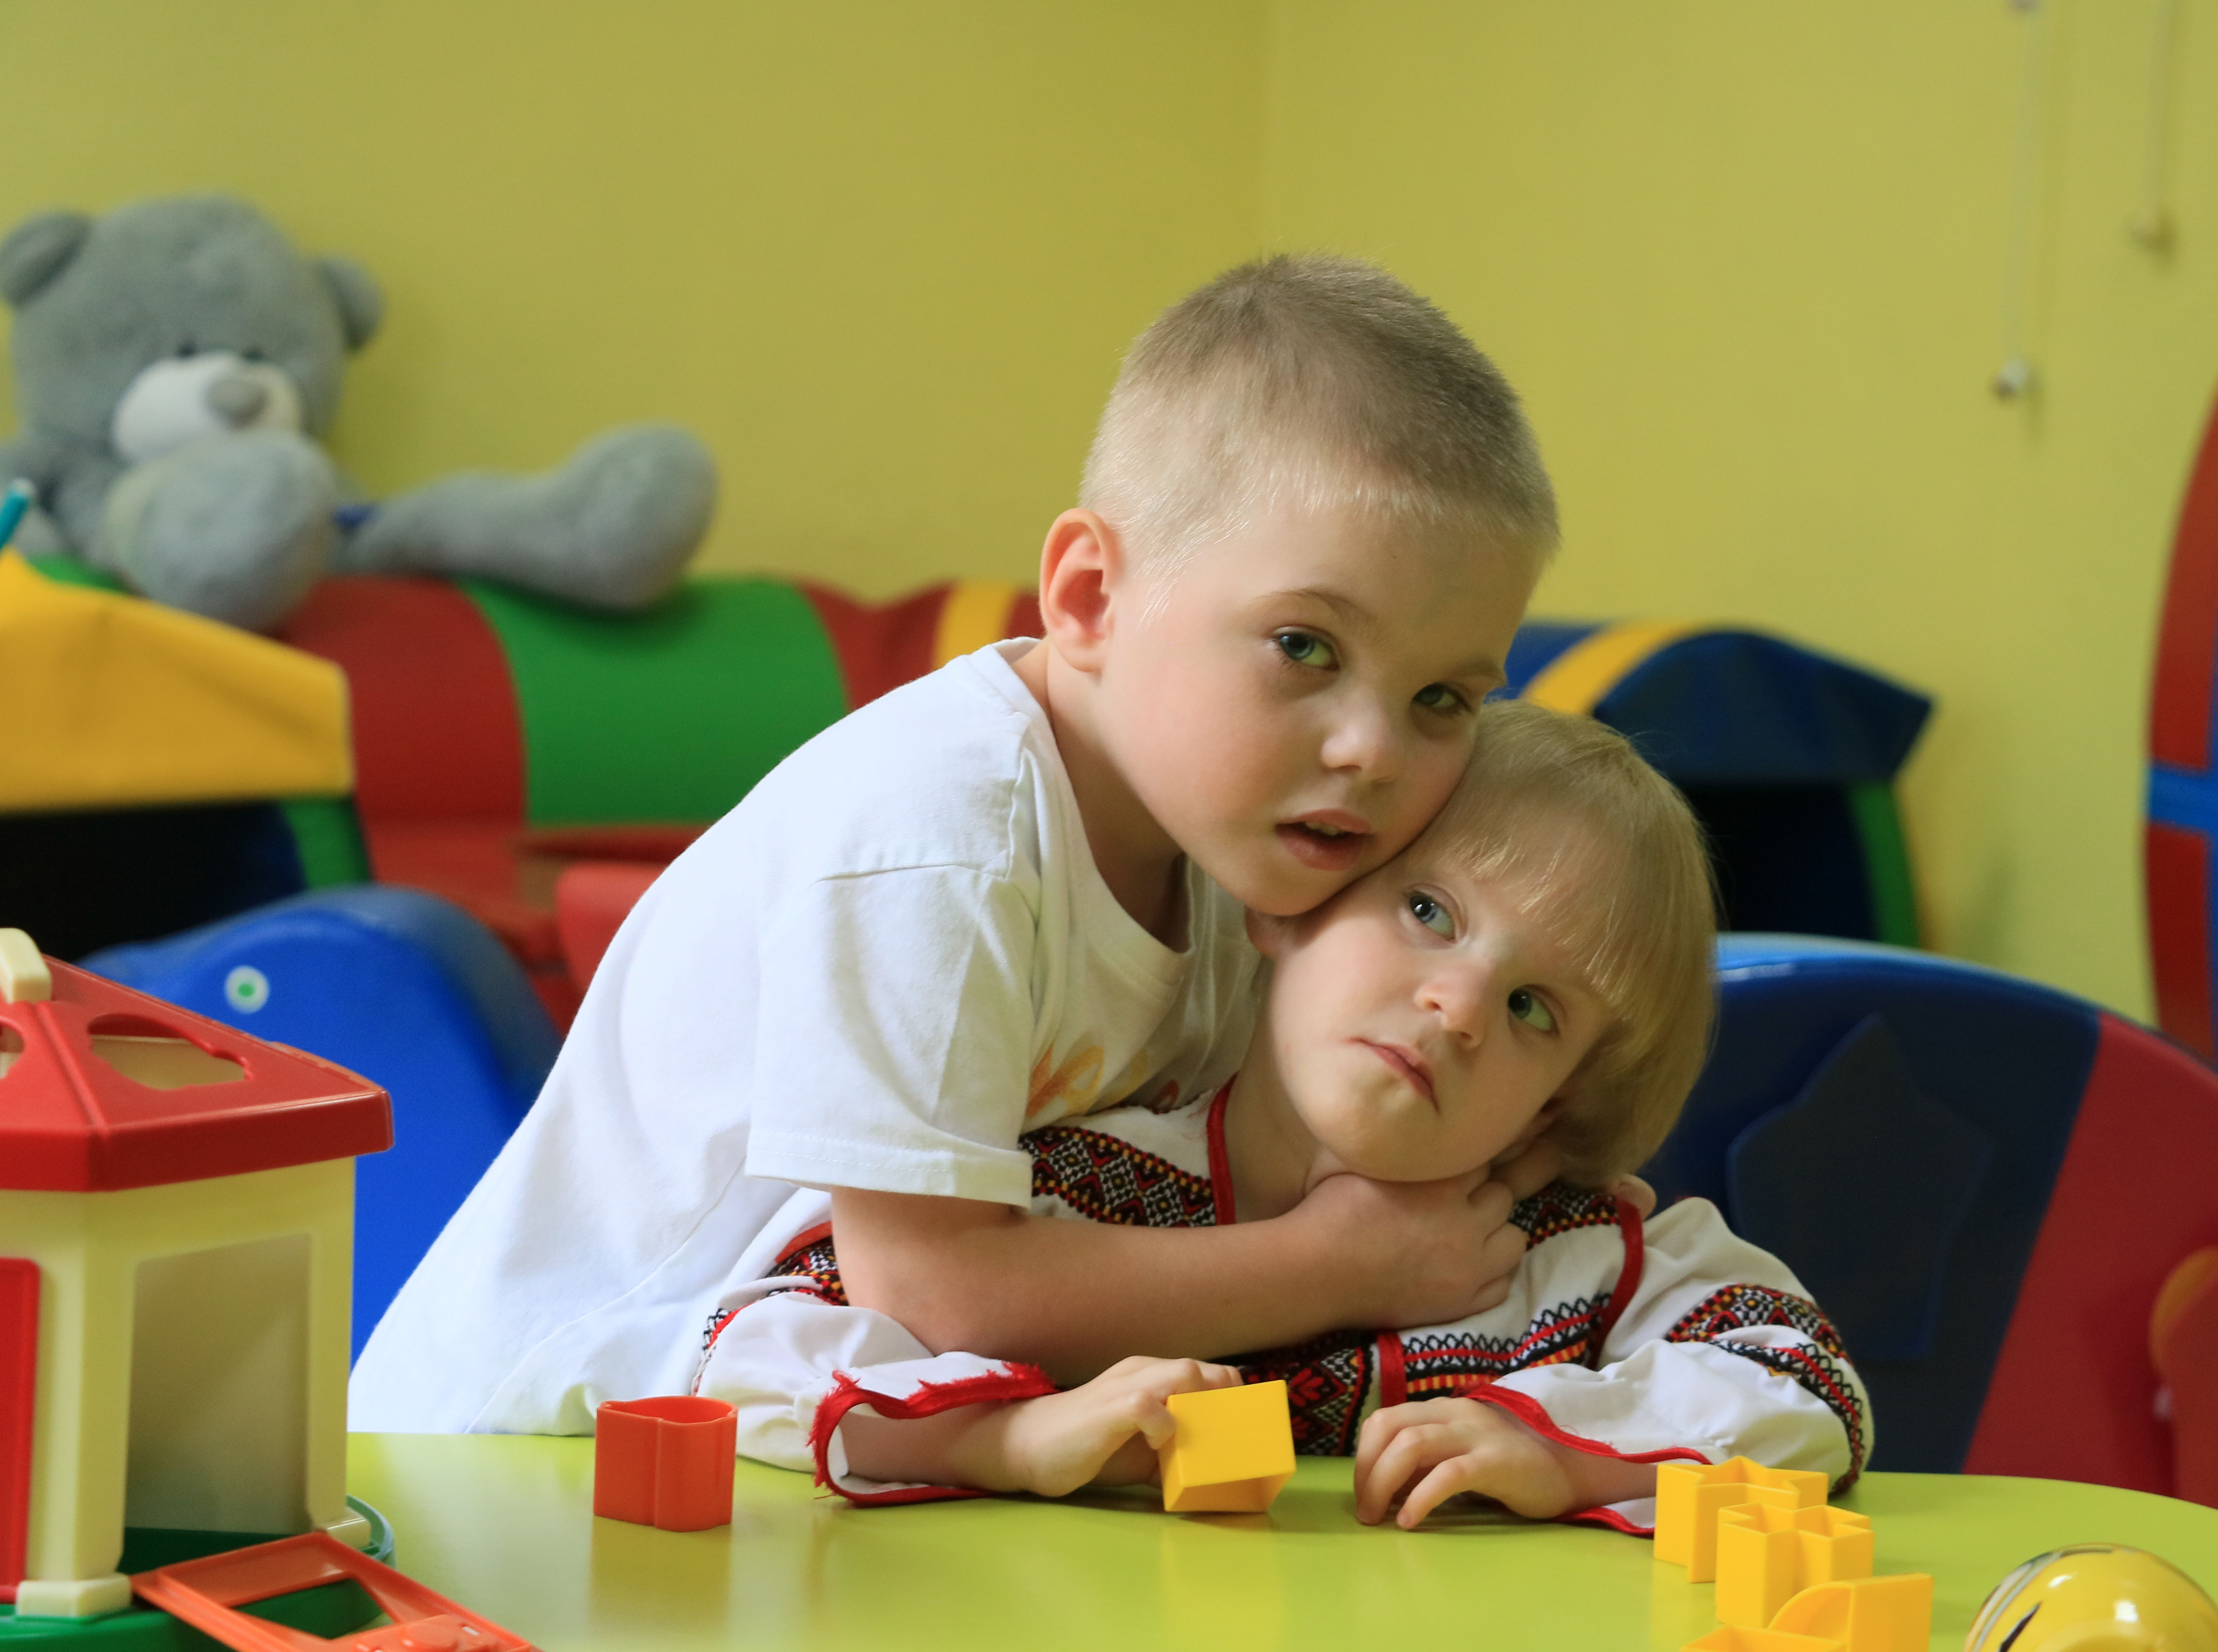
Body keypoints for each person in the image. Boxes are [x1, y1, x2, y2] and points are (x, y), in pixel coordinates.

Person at [350, 255, 1567, 1433]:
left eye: (1442, 699)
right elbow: (933, 1293)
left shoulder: (1243, 840)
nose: (1375, 750)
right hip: (538, 1441)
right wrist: (1339, 1267)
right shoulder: (943, 835)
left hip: (806, 1435)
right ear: (1089, 599)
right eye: (1305, 647)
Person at [697, 704, 1871, 1532]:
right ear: (1286, 909)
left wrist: (1567, 1451)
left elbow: (1809, 1383)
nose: (1460, 1007)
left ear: (1552, 1110)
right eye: (1429, 911)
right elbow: (751, 1347)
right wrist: (1002, 1442)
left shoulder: (1579, 1252)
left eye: (1532, 1009)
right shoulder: (1080, 1187)